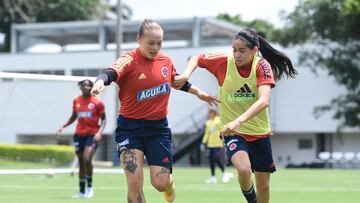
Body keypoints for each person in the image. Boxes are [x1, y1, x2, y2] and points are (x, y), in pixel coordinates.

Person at [90, 19, 219, 203]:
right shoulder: (129, 60)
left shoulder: (165, 61)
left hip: (157, 130)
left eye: (159, 43)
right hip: (129, 128)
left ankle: (169, 184)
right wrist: (100, 81)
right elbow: (109, 73)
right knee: (134, 184)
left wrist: (199, 92)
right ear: (139, 39)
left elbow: (177, 81)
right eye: (151, 43)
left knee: (160, 183)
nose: (155, 47)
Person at [174, 28, 297, 203]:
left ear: (254, 50)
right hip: (233, 133)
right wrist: (185, 75)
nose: (237, 54)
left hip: (259, 132)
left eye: (242, 50)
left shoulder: (262, 66)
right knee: (244, 169)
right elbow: (196, 58)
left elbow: (264, 101)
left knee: (264, 186)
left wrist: (238, 121)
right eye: (234, 50)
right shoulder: (223, 63)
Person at [56, 79, 106, 199]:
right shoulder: (76, 100)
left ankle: (90, 188)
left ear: (91, 87)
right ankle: (81, 191)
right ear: (80, 87)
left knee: (86, 158)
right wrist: (63, 126)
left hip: (92, 135)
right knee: (81, 162)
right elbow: (73, 116)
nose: (86, 87)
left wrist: (99, 132)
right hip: (79, 135)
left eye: (88, 85)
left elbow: (104, 120)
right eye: (83, 85)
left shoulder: (97, 102)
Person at [201, 107, 233, 184]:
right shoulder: (208, 123)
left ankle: (224, 172)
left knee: (216, 158)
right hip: (210, 144)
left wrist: (224, 141)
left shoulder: (219, 121)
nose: (210, 114)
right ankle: (213, 177)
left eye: (211, 112)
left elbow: (222, 131)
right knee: (211, 160)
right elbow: (206, 134)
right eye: (209, 112)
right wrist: (203, 142)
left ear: (214, 112)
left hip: (218, 143)